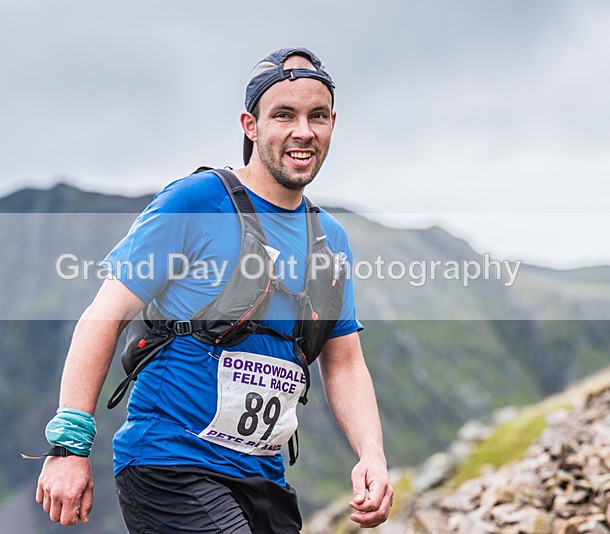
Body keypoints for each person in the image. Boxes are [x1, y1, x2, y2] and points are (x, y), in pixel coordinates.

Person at [35, 47, 393, 532]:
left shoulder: (331, 239)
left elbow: (344, 360)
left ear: (333, 124)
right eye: (283, 115)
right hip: (170, 462)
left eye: (318, 116)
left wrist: (371, 454)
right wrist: (68, 445)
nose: (303, 131)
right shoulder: (198, 201)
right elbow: (107, 312)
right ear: (250, 125)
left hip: (263, 477)